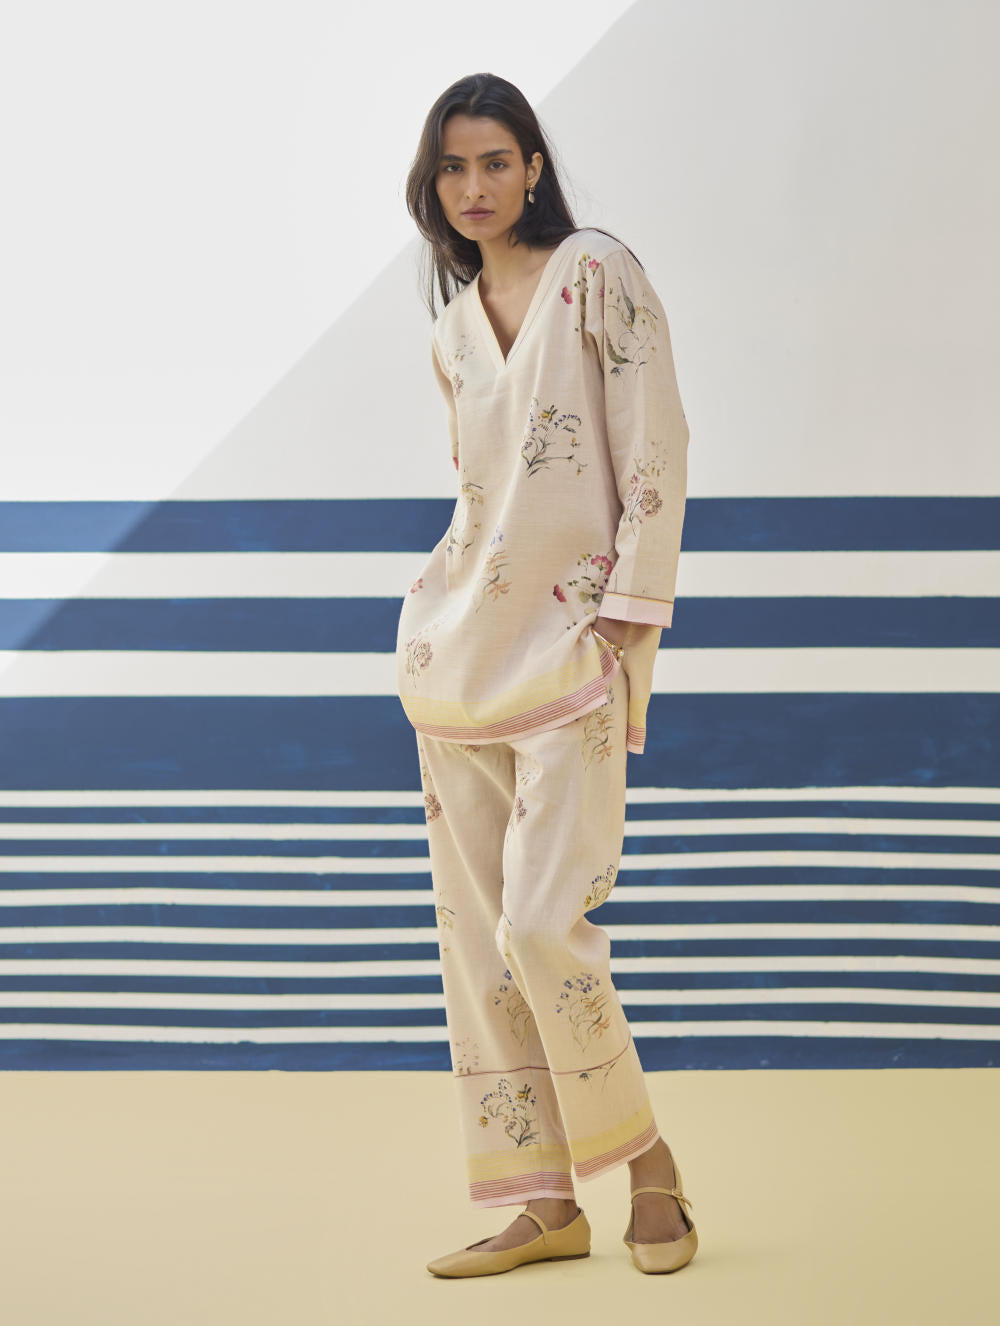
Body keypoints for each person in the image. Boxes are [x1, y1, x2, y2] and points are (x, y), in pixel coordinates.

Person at [396, 72, 696, 1278]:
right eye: (452, 167)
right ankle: (542, 1203)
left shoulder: (596, 273)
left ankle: (651, 1167)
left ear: (532, 167)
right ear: (433, 185)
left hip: (570, 650)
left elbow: (657, 444)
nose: (474, 186)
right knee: (476, 945)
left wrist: (622, 622)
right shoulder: (450, 329)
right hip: (454, 660)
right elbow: (481, 496)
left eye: (495, 161)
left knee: (538, 924)